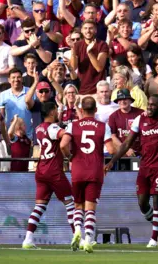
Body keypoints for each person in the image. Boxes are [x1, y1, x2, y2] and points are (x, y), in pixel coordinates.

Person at [106, 94, 158, 248]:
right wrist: (112, 161)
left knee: (157, 200)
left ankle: (153, 238)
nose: (150, 108)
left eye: (153, 105)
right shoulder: (141, 119)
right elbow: (126, 143)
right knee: (142, 203)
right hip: (145, 165)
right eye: (148, 105)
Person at [60, 97, 116, 253]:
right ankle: (88, 240)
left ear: (82, 110)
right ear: (95, 110)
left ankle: (77, 230)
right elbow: (111, 150)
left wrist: (70, 156)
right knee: (90, 208)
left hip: (77, 169)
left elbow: (63, 144)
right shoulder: (103, 126)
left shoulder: (73, 125)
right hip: (95, 170)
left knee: (78, 205)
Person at [22, 102, 76, 249]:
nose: (58, 113)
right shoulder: (53, 127)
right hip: (54, 171)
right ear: (52, 112)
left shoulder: (39, 128)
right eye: (57, 110)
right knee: (70, 203)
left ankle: (28, 239)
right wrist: (69, 154)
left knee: (39, 206)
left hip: (41, 170)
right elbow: (64, 138)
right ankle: (78, 236)